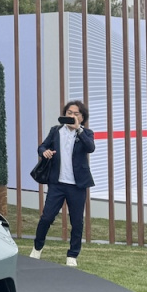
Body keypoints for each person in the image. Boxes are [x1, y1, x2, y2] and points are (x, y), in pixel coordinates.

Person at [30, 100, 95, 267]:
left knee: (77, 222)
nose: (72, 116)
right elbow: (42, 147)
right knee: (47, 217)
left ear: (82, 117)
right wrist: (45, 152)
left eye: (76, 114)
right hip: (57, 183)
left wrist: (78, 129)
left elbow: (90, 148)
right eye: (69, 113)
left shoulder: (86, 133)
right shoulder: (56, 131)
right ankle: (37, 248)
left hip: (77, 185)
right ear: (64, 114)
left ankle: (72, 255)